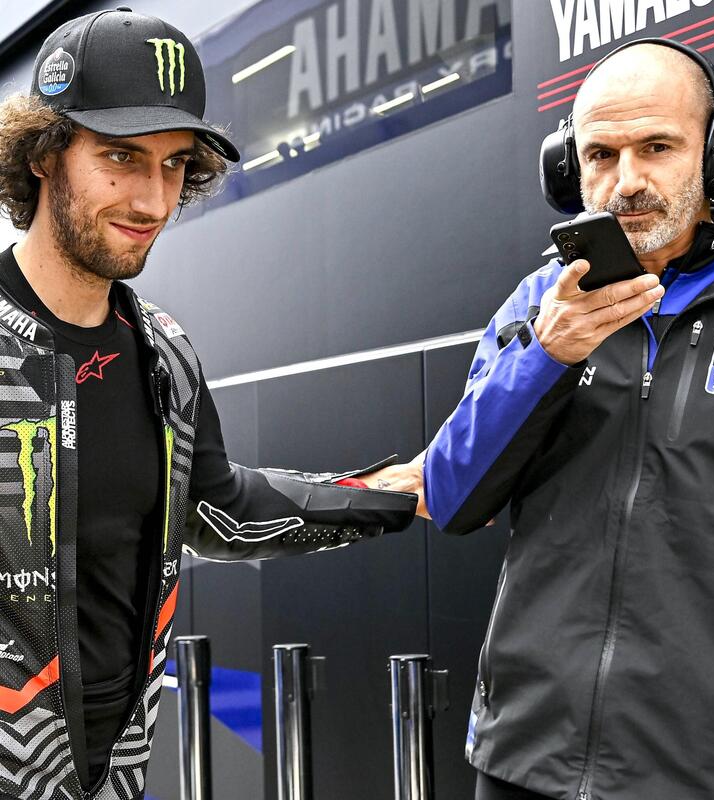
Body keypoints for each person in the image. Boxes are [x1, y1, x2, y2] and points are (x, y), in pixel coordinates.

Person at [365, 39, 714, 799]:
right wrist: (547, 354)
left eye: (657, 147)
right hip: (525, 757)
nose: (626, 182)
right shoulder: (539, 305)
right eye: (601, 155)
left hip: (710, 770)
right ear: (570, 170)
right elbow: (456, 498)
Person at [0, 9, 416, 800]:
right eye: (121, 156)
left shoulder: (165, 353)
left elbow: (218, 508)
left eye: (173, 165)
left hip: (116, 774)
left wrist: (382, 497)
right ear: (45, 154)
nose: (152, 199)